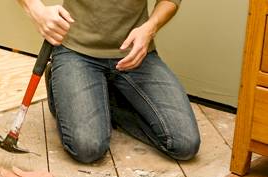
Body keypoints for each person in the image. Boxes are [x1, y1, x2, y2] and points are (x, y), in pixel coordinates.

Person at [19, 0, 200, 163]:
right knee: (88, 148)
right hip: (76, 52)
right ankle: (59, 84)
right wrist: (36, 10)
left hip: (134, 54)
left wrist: (150, 28)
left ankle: (103, 95)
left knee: (185, 143)